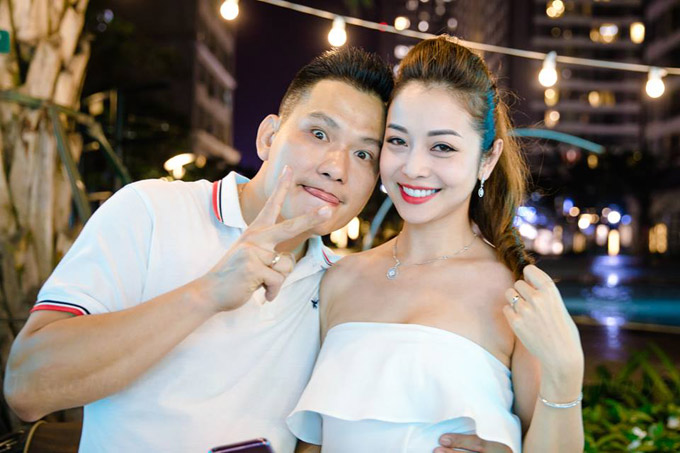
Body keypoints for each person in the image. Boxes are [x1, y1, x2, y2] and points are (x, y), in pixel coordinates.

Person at [4, 47, 394, 453]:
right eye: (319, 134)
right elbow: (27, 387)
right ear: (268, 137)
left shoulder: (337, 286)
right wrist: (207, 293)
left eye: (363, 154)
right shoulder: (151, 210)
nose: (336, 167)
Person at [287, 37, 585, 453]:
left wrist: (566, 375)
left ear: (487, 159)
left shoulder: (516, 295)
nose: (413, 167)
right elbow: (311, 443)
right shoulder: (337, 279)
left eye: (442, 147)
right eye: (397, 141)